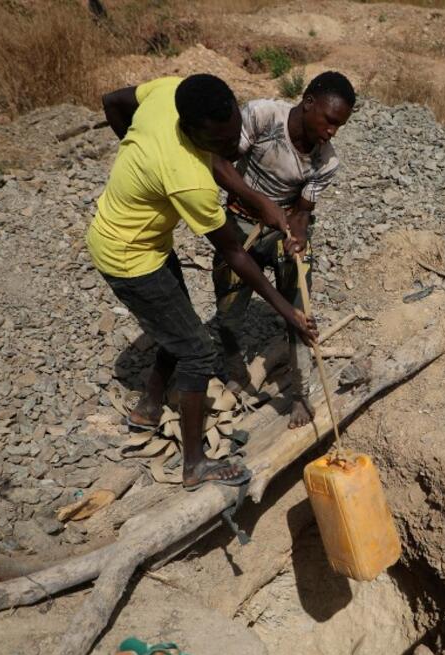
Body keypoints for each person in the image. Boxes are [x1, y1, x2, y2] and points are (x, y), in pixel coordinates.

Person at [88, 73, 317, 488]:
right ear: (194, 134)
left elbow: (113, 100)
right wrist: (289, 310)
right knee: (196, 351)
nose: (233, 148)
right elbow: (235, 254)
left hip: (143, 239)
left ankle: (149, 407)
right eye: (221, 143)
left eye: (235, 137)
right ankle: (194, 465)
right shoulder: (187, 180)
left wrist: (258, 199)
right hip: (128, 257)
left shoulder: (172, 92)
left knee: (177, 326)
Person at [212, 71, 355, 429]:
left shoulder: (326, 161)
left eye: (340, 126)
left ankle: (301, 394)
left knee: (299, 312)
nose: (332, 131)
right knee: (228, 314)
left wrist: (299, 234)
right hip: (238, 222)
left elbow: (304, 211)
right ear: (308, 103)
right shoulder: (262, 116)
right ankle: (236, 375)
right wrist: (262, 204)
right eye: (329, 121)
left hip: (283, 230)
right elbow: (220, 164)